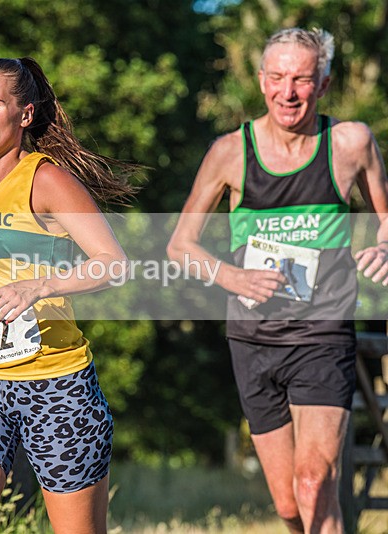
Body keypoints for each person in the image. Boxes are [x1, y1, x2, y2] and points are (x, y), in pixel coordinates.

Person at [168, 28, 388, 534]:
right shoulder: (230, 152)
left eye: (302, 80)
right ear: (262, 80)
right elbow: (179, 245)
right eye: (278, 78)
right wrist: (234, 276)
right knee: (289, 502)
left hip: (323, 331)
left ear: (324, 84)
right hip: (254, 339)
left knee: (314, 482)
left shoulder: (350, 144)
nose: (288, 92)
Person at [0, 57, 134, 534]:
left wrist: (40, 286)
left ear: (25, 114)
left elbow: (113, 263)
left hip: (56, 383)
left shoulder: (47, 181)